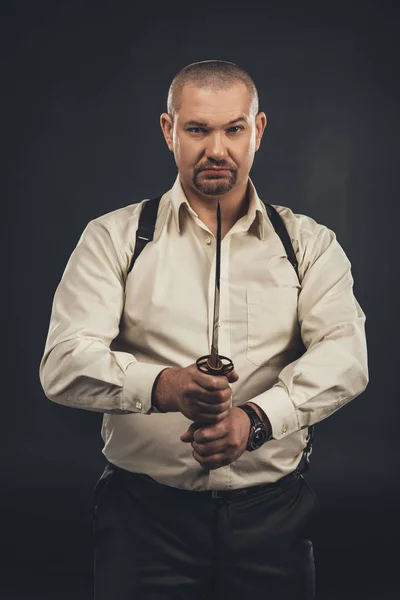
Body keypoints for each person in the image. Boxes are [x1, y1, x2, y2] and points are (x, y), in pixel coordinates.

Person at [39, 60, 369, 600]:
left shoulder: (310, 244)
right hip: (143, 519)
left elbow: (347, 356)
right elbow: (64, 362)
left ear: (257, 131)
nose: (217, 149)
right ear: (169, 131)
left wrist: (256, 420)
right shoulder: (113, 238)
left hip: (274, 518)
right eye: (197, 129)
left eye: (233, 129)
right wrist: (164, 387)